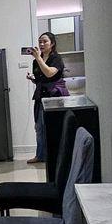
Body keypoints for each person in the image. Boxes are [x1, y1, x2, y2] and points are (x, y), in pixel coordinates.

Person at [26, 31, 66, 164]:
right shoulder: (35, 61)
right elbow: (40, 79)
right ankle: (40, 155)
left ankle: (56, 156)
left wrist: (38, 58)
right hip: (40, 96)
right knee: (39, 127)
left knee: (54, 126)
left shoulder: (56, 58)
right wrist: (32, 78)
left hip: (54, 96)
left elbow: (49, 73)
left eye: (45, 41)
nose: (41, 44)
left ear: (52, 43)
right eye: (40, 42)